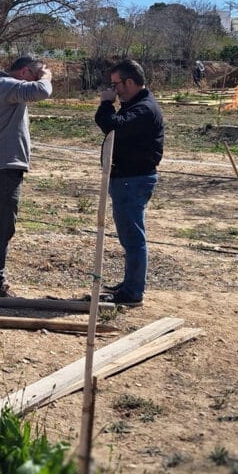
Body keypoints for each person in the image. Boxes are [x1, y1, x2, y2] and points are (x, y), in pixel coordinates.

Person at [0, 55, 53, 298]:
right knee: (2, 228)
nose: (38, 79)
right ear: (25, 72)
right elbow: (42, 91)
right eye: (35, 75)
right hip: (3, 168)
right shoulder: (6, 85)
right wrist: (46, 77)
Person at [94, 59, 165, 307]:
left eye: (116, 84)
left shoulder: (144, 108)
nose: (113, 90)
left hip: (133, 180)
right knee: (129, 237)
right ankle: (129, 284)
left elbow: (112, 126)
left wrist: (106, 103)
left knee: (133, 238)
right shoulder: (135, 105)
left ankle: (133, 292)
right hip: (127, 179)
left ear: (131, 82)